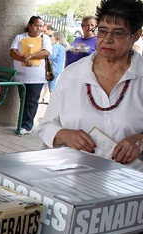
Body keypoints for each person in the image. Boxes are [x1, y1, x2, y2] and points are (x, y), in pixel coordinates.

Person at [39, 0, 143, 165]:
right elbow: (46, 125)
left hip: (131, 180)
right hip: (74, 175)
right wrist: (65, 135)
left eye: (118, 33)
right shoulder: (72, 75)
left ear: (136, 35)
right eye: (102, 31)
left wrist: (139, 140)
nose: (107, 39)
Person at [9, 16, 52, 135]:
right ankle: (22, 123)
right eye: (36, 25)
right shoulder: (20, 37)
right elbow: (12, 51)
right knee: (23, 100)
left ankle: (26, 126)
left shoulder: (45, 38)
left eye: (40, 26)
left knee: (32, 101)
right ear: (29, 25)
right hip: (21, 76)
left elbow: (46, 52)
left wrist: (30, 56)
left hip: (37, 77)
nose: (38, 28)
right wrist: (23, 57)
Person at [40, 32, 68, 104]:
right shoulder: (62, 47)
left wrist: (46, 54)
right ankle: (53, 101)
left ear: (56, 37)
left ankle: (44, 99)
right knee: (52, 86)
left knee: (44, 82)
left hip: (53, 69)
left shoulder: (56, 46)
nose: (52, 38)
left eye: (53, 36)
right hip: (58, 69)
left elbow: (53, 56)